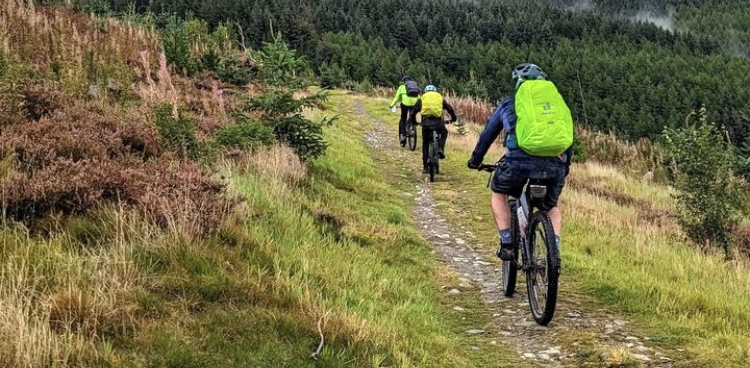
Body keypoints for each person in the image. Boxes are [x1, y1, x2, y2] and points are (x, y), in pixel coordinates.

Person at [467, 63, 573, 261]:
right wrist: (565, 166)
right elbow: (568, 138)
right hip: (555, 164)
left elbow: (488, 135)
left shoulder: (509, 104)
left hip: (518, 163)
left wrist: (476, 160)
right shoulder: (556, 106)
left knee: (499, 192)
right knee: (550, 207)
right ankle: (554, 252)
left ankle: (507, 244)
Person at [409, 85, 457, 173]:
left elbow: (413, 111)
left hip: (426, 123)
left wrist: (414, 121)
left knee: (425, 143)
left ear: (425, 91)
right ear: (435, 91)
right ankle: (440, 149)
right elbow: (449, 108)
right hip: (438, 122)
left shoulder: (422, 98)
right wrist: (453, 118)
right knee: (444, 132)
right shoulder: (439, 97)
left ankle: (425, 167)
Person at [389, 76, 421, 146]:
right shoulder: (415, 87)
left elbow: (396, 98)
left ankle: (403, 136)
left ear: (404, 82)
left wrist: (392, 105)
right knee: (412, 115)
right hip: (415, 105)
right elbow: (419, 98)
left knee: (403, 119)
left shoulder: (401, 87)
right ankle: (413, 126)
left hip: (405, 105)